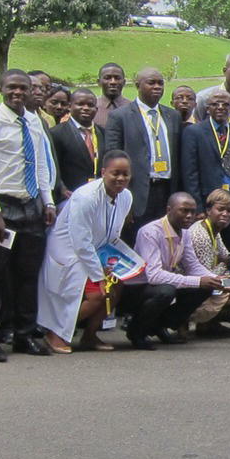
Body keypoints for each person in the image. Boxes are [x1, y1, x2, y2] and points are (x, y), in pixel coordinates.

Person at [0, 69, 57, 361]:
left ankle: (24, 334)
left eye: (23, 88)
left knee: (27, 276)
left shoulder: (34, 122)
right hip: (2, 209)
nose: (18, 93)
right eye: (12, 88)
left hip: (31, 206)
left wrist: (48, 202)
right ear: (1, 89)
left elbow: (41, 165)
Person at [36, 150, 133, 353]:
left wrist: (117, 263)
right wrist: (99, 273)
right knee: (97, 295)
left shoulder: (126, 197)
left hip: (96, 251)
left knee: (117, 286)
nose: (121, 179)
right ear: (103, 172)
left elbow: (113, 233)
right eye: (116, 173)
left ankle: (90, 335)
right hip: (69, 251)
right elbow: (81, 242)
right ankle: (56, 333)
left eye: (125, 174)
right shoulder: (86, 197)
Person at [126, 192, 225, 350]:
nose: (189, 216)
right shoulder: (150, 232)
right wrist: (198, 281)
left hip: (161, 283)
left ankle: (159, 326)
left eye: (192, 212)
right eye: (184, 211)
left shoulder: (184, 232)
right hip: (137, 288)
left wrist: (215, 279)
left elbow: (192, 265)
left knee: (205, 287)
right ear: (169, 210)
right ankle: (136, 332)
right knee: (166, 291)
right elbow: (154, 276)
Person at [104, 67, 184, 237]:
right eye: (151, 83)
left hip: (166, 189)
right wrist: (120, 197)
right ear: (137, 85)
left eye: (160, 83)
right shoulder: (120, 116)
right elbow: (112, 155)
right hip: (136, 191)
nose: (157, 87)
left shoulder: (173, 116)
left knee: (164, 240)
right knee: (135, 240)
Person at [181, 89, 230, 254]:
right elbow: (190, 173)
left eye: (226, 104)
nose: (220, 107)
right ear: (207, 108)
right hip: (207, 202)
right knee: (206, 248)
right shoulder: (194, 132)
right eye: (215, 104)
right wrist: (197, 207)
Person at [187, 188, 230, 338]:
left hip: (211, 281)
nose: (225, 214)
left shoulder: (214, 229)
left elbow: (226, 257)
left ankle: (209, 323)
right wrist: (227, 280)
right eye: (220, 209)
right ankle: (195, 320)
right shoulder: (200, 234)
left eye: (229, 210)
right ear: (208, 210)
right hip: (192, 289)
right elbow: (207, 275)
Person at [49, 89, 104, 203]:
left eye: (90, 105)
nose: (85, 108)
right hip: (70, 196)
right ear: (69, 106)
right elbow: (52, 166)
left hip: (99, 196)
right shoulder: (57, 133)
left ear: (96, 109)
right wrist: (61, 188)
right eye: (80, 104)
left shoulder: (103, 133)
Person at [93, 63, 131, 129]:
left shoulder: (133, 108)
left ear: (124, 82)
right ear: (99, 82)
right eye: (107, 78)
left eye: (117, 78)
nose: (113, 82)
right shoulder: (91, 108)